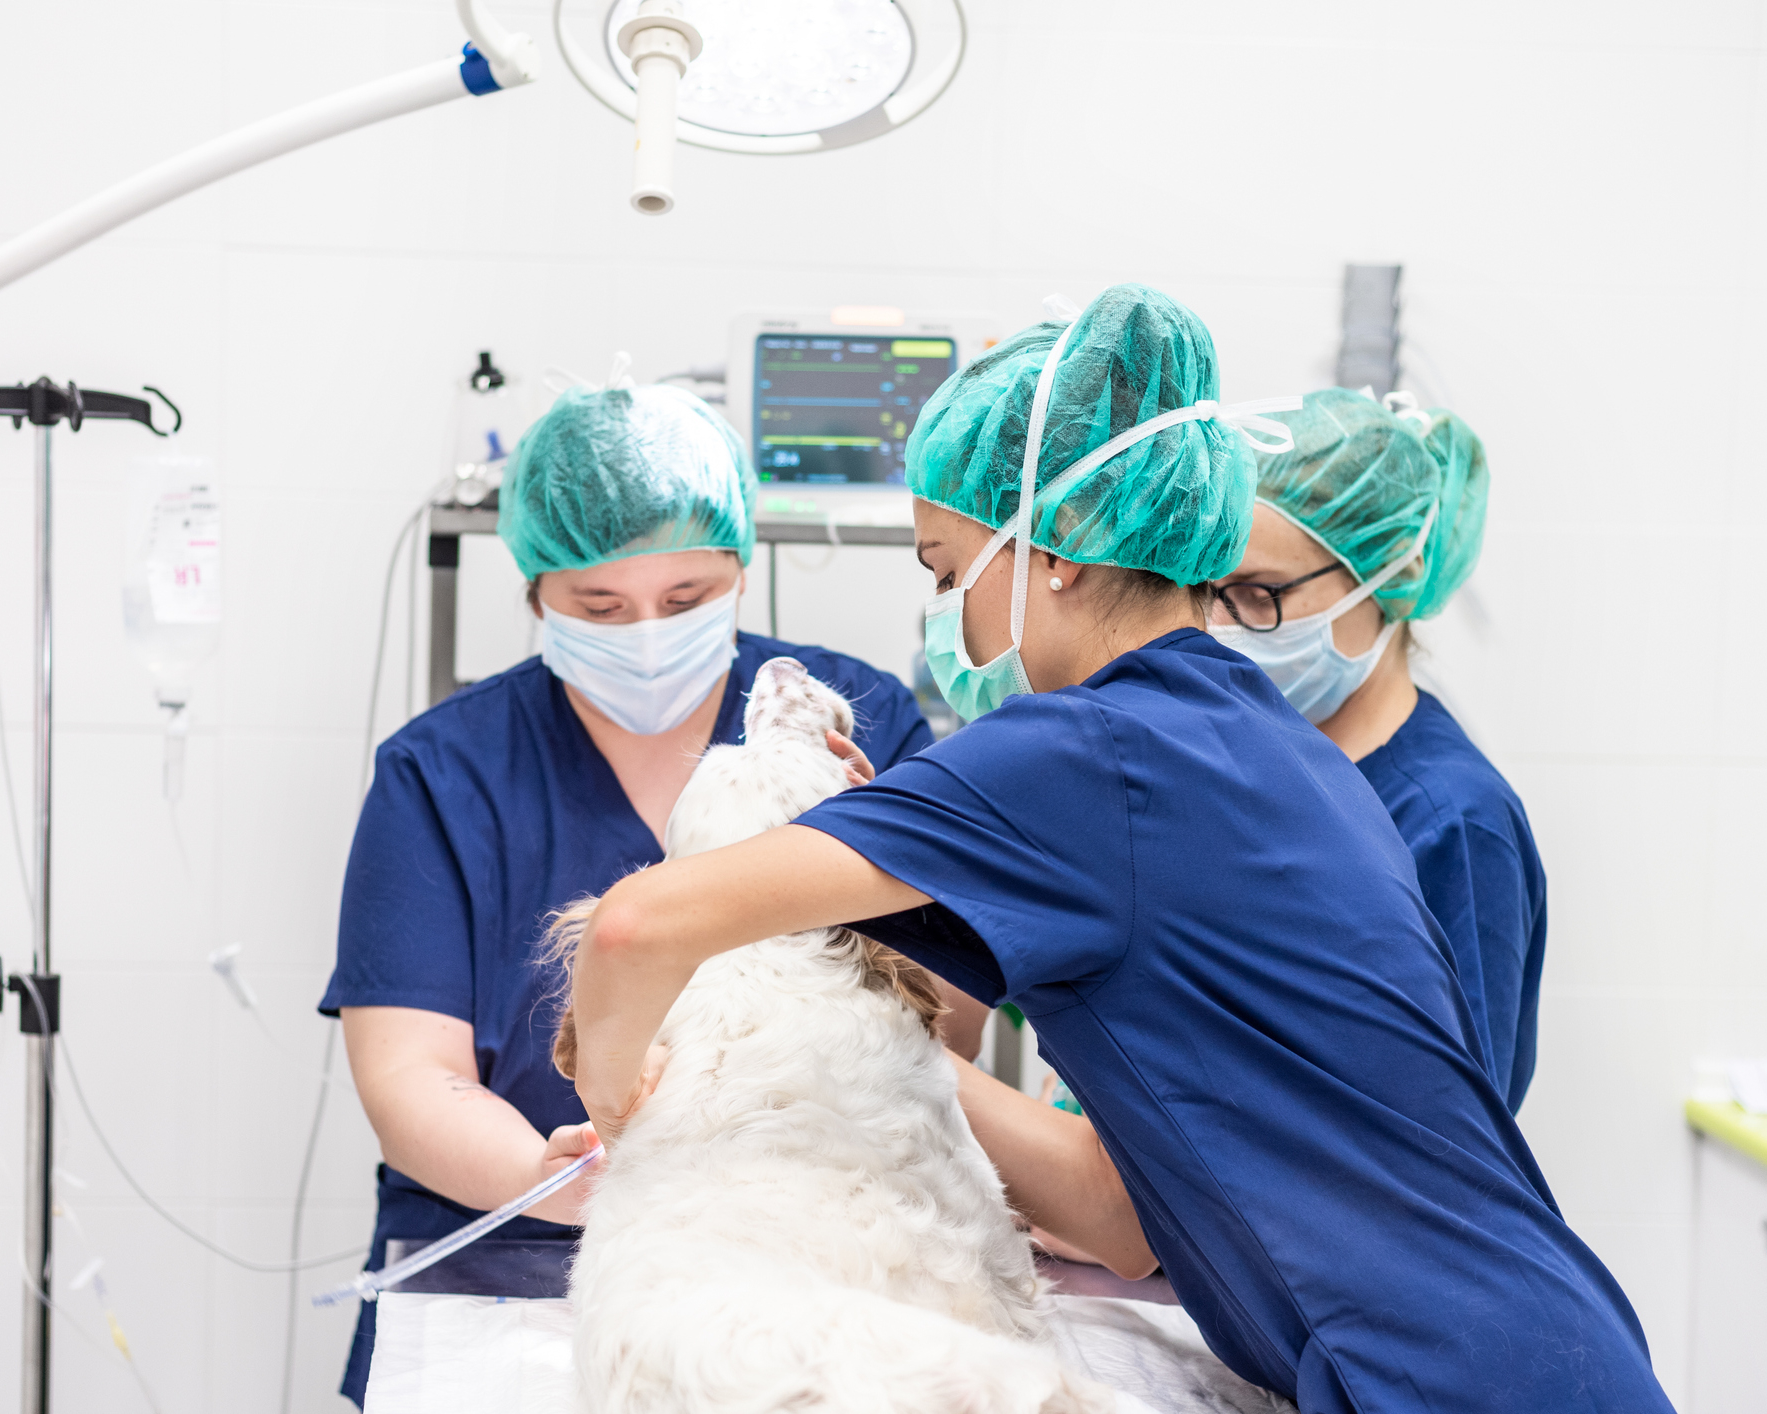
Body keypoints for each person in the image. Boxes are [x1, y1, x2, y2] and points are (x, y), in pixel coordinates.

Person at [563, 287, 1670, 1413]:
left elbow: (637, 925)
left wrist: (622, 1100)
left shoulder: (1086, 750)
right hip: (1536, 1352)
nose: (952, 621)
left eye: (948, 573)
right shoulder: (1262, 745)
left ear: (1056, 551)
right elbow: (1116, 1219)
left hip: (1436, 1380)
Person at [317, 378, 934, 1407]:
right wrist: (546, 1177)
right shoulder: (446, 771)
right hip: (508, 1269)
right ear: (534, 596)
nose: (646, 633)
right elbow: (409, 1077)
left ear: (742, 570)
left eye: (687, 600)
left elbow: (936, 1020)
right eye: (599, 607)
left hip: (803, 1248)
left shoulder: (852, 724)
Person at [1206, 388, 1545, 1110]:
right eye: (1210, 593)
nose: (1225, 626)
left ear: (1389, 574)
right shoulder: (1271, 765)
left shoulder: (1453, 820)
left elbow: (1456, 1131)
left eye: (1259, 593)